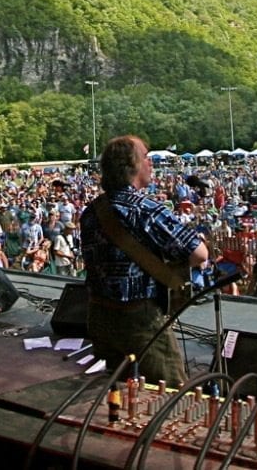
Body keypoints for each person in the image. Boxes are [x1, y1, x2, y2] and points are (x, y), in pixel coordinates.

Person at [80, 135, 208, 385]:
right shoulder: (144, 208)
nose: (151, 164)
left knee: (117, 390)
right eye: (146, 158)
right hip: (139, 319)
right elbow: (199, 253)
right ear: (131, 166)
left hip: (99, 314)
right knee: (169, 393)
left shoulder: (91, 210)